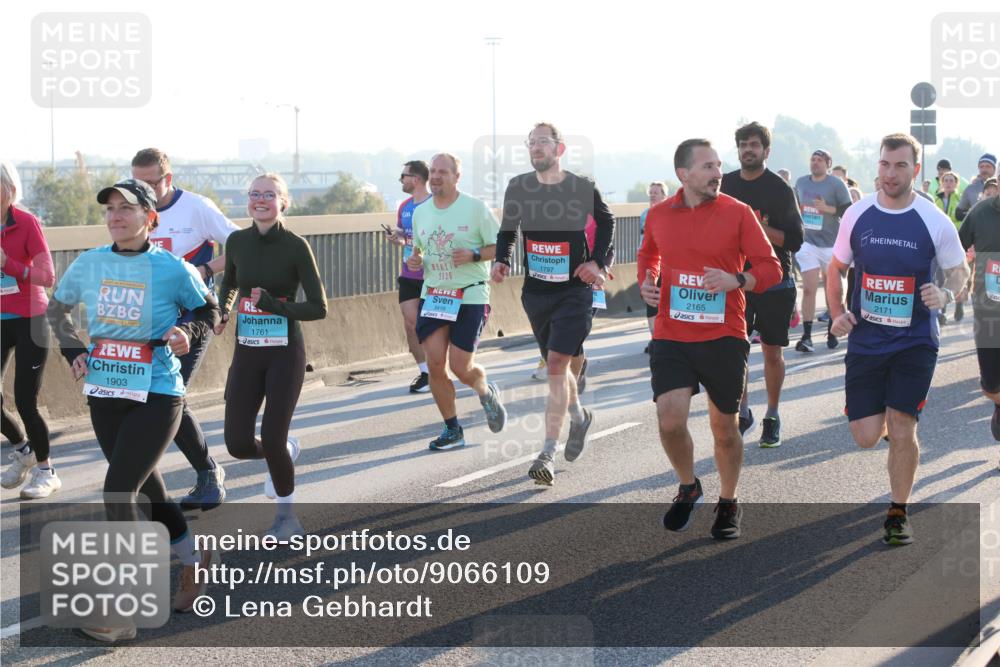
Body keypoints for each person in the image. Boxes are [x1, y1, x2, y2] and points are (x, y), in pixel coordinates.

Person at [46, 178, 219, 640]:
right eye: (110, 209)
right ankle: (193, 561)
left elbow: (208, 312)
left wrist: (189, 332)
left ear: (149, 217)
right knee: (150, 495)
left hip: (159, 389)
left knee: (118, 489)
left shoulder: (172, 268)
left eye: (126, 208)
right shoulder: (89, 263)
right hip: (105, 389)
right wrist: (73, 351)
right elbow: (54, 312)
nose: (116, 216)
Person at [827, 133, 968, 546]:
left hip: (915, 341)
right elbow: (836, 268)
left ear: (915, 170)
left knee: (903, 426)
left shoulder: (933, 221)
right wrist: (837, 315)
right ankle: (884, 415)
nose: (890, 174)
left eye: (900, 166)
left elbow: (961, 273)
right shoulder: (857, 215)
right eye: (885, 165)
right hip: (867, 342)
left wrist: (944, 294)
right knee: (866, 436)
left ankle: (897, 511)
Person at [638, 138, 781, 539]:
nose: (718, 173)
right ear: (683, 174)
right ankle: (688, 485)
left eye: (719, 165)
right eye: (708, 166)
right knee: (669, 419)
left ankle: (729, 500)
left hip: (724, 334)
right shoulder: (659, 215)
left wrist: (737, 279)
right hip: (672, 332)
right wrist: (647, 282)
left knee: (724, 427)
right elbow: (649, 255)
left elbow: (771, 269)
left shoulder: (738, 213)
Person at [494, 123, 615, 485]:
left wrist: (597, 263)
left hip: (574, 290)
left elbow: (607, 222)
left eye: (542, 142)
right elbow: (507, 229)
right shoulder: (519, 187)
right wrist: (503, 258)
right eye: (531, 143)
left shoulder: (579, 187)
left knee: (557, 364)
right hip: (536, 291)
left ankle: (546, 451)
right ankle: (579, 417)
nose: (535, 148)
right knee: (557, 365)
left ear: (559, 149)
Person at [215, 173, 328, 540]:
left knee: (273, 434)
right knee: (237, 443)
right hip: (247, 351)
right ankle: (283, 452)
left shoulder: (295, 246)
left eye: (269, 194)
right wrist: (223, 309)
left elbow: (318, 307)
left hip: (284, 352)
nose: (260, 200)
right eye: (254, 194)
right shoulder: (236, 241)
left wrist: (275, 305)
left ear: (283, 202)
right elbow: (230, 282)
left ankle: (286, 517)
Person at [131, 148, 237, 510]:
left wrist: (208, 272)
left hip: (193, 315)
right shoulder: (133, 212)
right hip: (150, 319)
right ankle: (185, 475)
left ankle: (207, 473)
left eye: (149, 183)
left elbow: (242, 246)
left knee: (170, 394)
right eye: (136, 182)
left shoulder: (197, 207)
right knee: (152, 395)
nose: (141, 189)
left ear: (168, 180)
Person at [407, 153, 506, 451]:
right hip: (436, 295)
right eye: (432, 172)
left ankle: (486, 391)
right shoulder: (420, 212)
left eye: (442, 172)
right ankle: (453, 429)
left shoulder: (475, 208)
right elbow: (421, 248)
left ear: (456, 177)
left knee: (461, 367)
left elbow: (499, 245)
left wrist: (475, 255)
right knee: (435, 364)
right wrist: (417, 259)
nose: (435, 176)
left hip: (470, 294)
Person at [721, 122, 804, 447]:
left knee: (771, 353)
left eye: (754, 145)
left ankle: (772, 413)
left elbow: (795, 239)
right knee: (735, 351)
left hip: (773, 281)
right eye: (742, 145)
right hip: (734, 282)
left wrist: (754, 227)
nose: (747, 150)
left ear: (766, 151)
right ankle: (742, 412)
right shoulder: (724, 184)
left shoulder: (779, 190)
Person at [1, 160, 59, 498]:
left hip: (31, 319)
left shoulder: (26, 222)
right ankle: (24, 449)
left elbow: (47, 277)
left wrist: (9, 265)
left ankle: (46, 471)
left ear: (9, 189)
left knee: (25, 400)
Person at [794, 149, 853, 352]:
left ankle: (831, 329)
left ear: (828, 164)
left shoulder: (836, 184)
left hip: (831, 244)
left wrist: (827, 209)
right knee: (809, 288)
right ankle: (807, 336)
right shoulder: (801, 183)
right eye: (813, 159)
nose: (815, 163)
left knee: (832, 290)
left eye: (820, 160)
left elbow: (848, 210)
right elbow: (794, 207)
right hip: (808, 242)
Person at [958, 178, 1000, 463]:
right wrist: (956, 281)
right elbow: (955, 250)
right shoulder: (981, 213)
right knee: (990, 384)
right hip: (989, 310)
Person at [384, 160, 432, 393]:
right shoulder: (404, 206)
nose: (401, 180)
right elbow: (404, 233)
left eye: (403, 176)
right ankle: (426, 372)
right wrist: (398, 238)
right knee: (411, 323)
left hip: (434, 275)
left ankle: (442, 367)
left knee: (435, 326)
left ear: (416, 179)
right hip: (408, 273)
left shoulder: (437, 204)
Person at [639, 182, 668, 347]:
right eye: (650, 192)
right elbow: (642, 239)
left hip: (666, 263)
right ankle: (655, 339)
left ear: (664, 195)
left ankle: (663, 337)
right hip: (649, 263)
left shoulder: (670, 213)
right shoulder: (645, 214)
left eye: (656, 192)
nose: (652, 195)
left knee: (663, 301)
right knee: (650, 299)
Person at [957, 153, 997, 221]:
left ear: (995, 169)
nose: (984, 169)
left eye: (988, 166)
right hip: (978, 230)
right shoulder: (971, 188)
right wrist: (975, 217)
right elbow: (958, 214)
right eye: (981, 167)